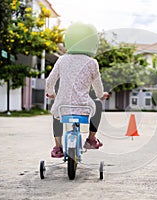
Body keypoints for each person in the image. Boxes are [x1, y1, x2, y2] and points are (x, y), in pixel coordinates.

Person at [45, 22, 109, 158]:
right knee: (97, 104)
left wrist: (51, 94)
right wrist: (101, 95)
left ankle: (58, 147)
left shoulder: (62, 60)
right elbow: (98, 85)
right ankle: (91, 139)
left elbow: (49, 81)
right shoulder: (92, 62)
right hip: (84, 106)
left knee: (56, 113)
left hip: (63, 106)